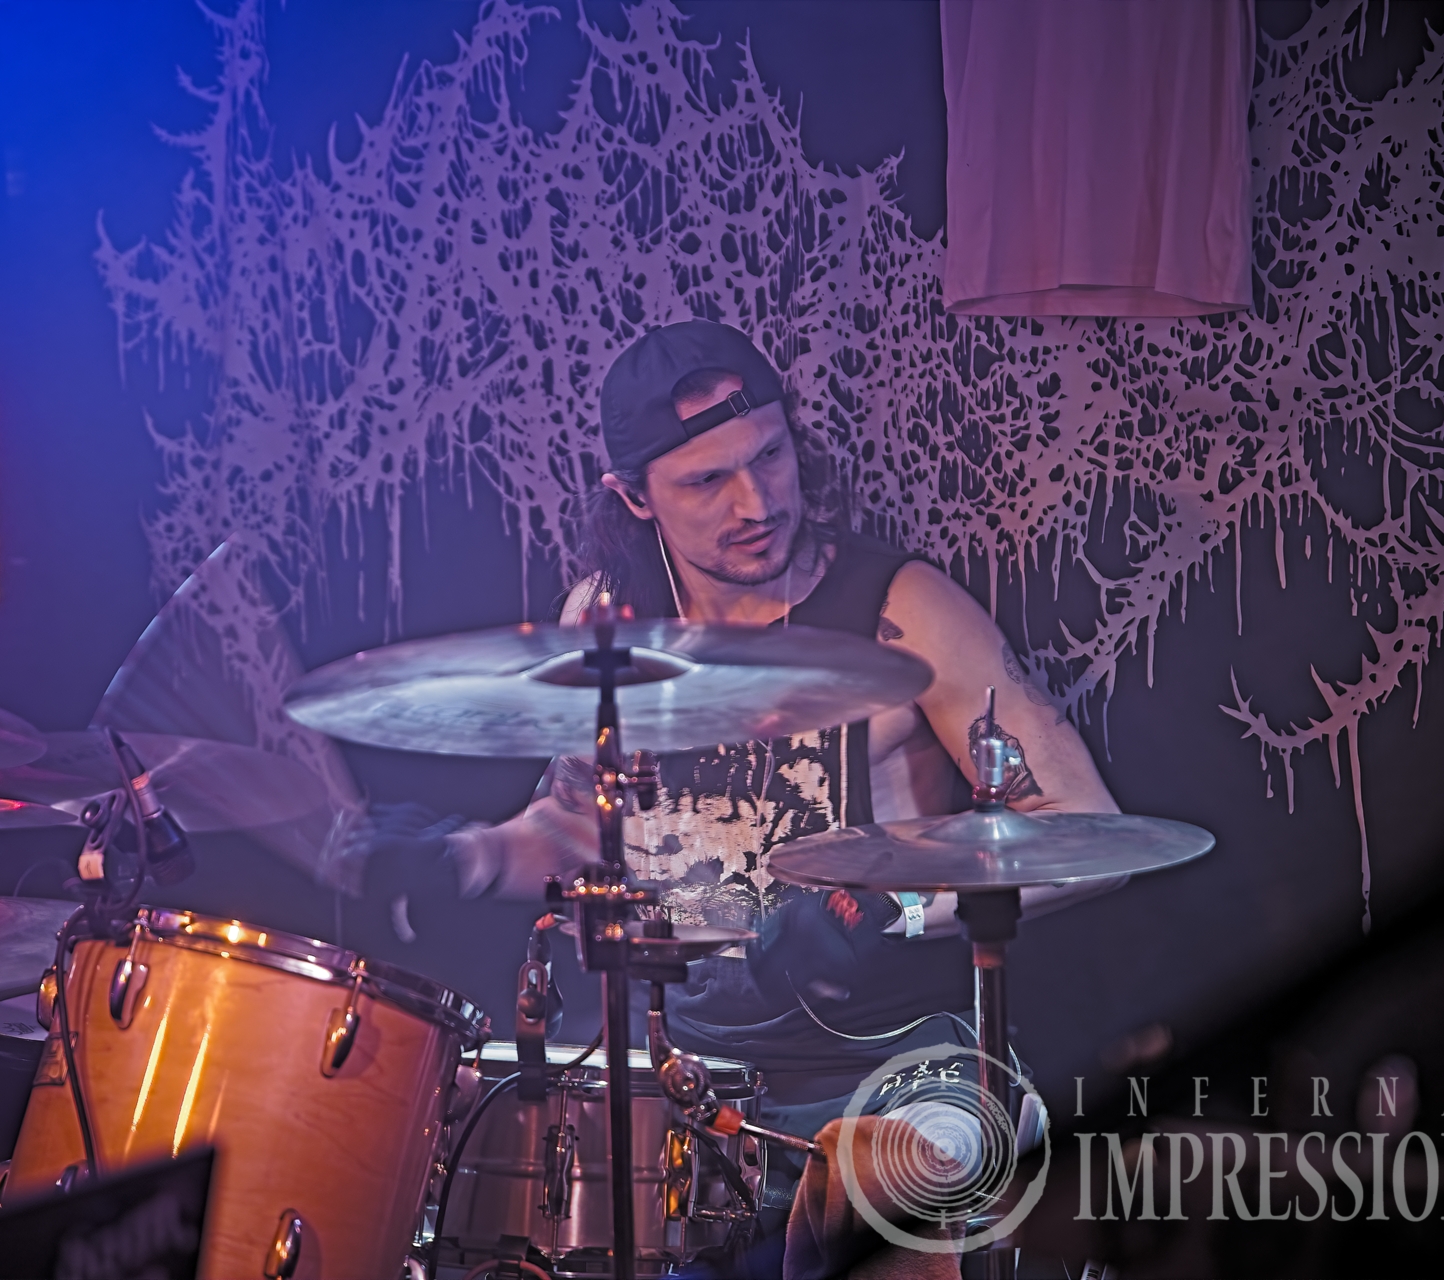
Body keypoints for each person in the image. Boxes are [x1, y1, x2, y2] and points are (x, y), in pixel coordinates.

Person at [417, 320, 1121, 1271]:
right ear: (633, 498)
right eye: (707, 481)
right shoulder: (609, 620)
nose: (756, 503)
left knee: (908, 1177)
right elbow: (580, 821)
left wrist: (899, 910)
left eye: (771, 457)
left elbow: (1085, 829)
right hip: (688, 1082)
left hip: (896, 1067)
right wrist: (455, 859)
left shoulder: (903, 612)